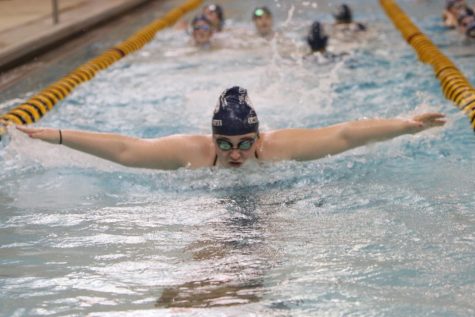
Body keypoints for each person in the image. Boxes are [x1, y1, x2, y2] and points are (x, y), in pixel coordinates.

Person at [13, 86, 446, 170]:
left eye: (244, 144)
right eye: (225, 143)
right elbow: (128, 150)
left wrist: (406, 127)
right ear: (211, 136)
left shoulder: (277, 148)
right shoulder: (194, 152)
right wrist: (59, 136)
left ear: (259, 137)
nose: (235, 154)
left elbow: (346, 134)